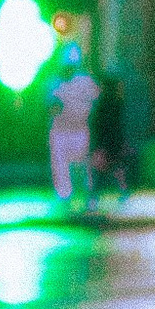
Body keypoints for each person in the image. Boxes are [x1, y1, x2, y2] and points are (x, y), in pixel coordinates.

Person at [47, 52, 98, 206]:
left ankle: (90, 194)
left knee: (86, 165)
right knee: (60, 164)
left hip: (80, 129)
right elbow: (49, 106)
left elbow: (96, 102)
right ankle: (64, 194)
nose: (68, 70)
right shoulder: (55, 83)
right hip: (60, 131)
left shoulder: (86, 82)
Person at [88, 71, 129, 201]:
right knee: (117, 167)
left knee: (100, 170)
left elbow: (98, 124)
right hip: (115, 139)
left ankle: (94, 196)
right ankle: (123, 191)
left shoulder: (101, 104)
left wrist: (96, 143)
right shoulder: (117, 103)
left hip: (103, 140)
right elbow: (119, 124)